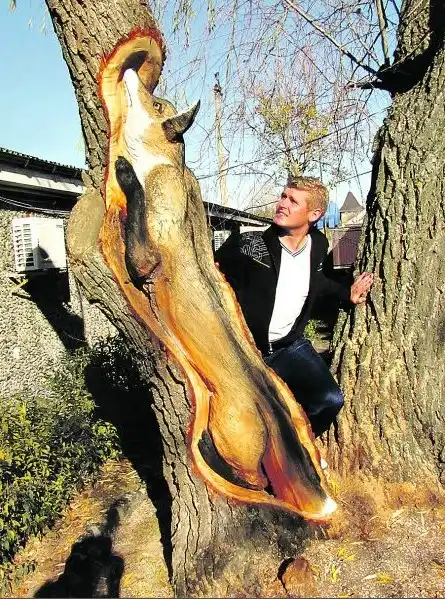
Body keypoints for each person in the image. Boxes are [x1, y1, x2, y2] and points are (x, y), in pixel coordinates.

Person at [215, 176, 373, 439]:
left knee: (329, 400)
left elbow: (317, 282)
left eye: (293, 201)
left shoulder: (318, 245)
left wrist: (347, 294)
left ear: (314, 214)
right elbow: (212, 275)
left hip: (289, 347)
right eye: (283, 196)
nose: (282, 204)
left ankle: (295, 446)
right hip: (245, 350)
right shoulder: (249, 244)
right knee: (245, 419)